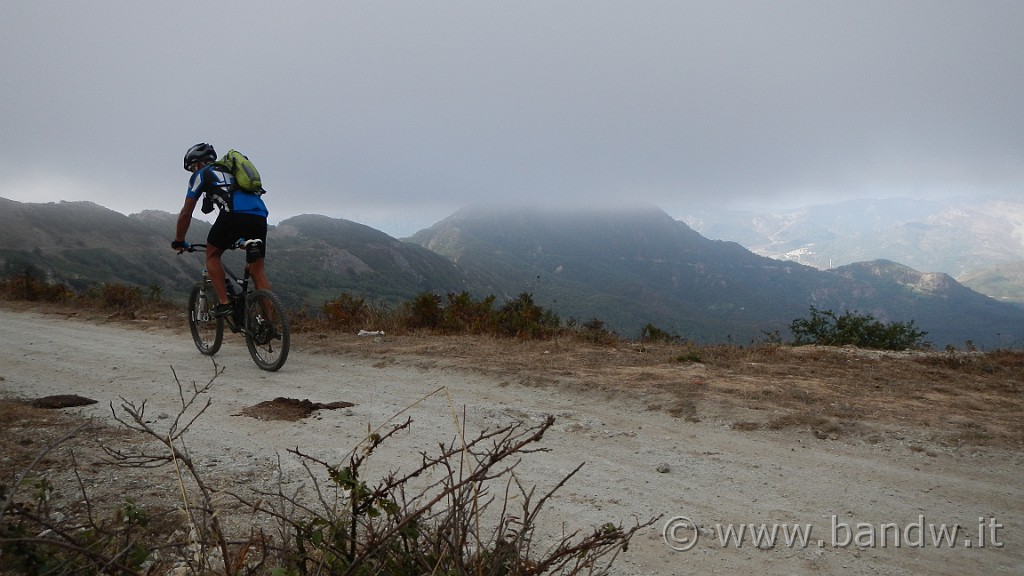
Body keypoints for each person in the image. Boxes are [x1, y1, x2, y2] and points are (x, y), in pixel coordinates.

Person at [173, 143, 271, 317]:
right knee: (258, 270)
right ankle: (269, 324)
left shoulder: (202, 174)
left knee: (212, 255)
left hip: (234, 214)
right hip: (260, 215)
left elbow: (186, 213)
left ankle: (225, 303)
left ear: (198, 163)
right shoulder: (232, 171)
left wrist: (179, 240)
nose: (192, 172)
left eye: (192, 167)